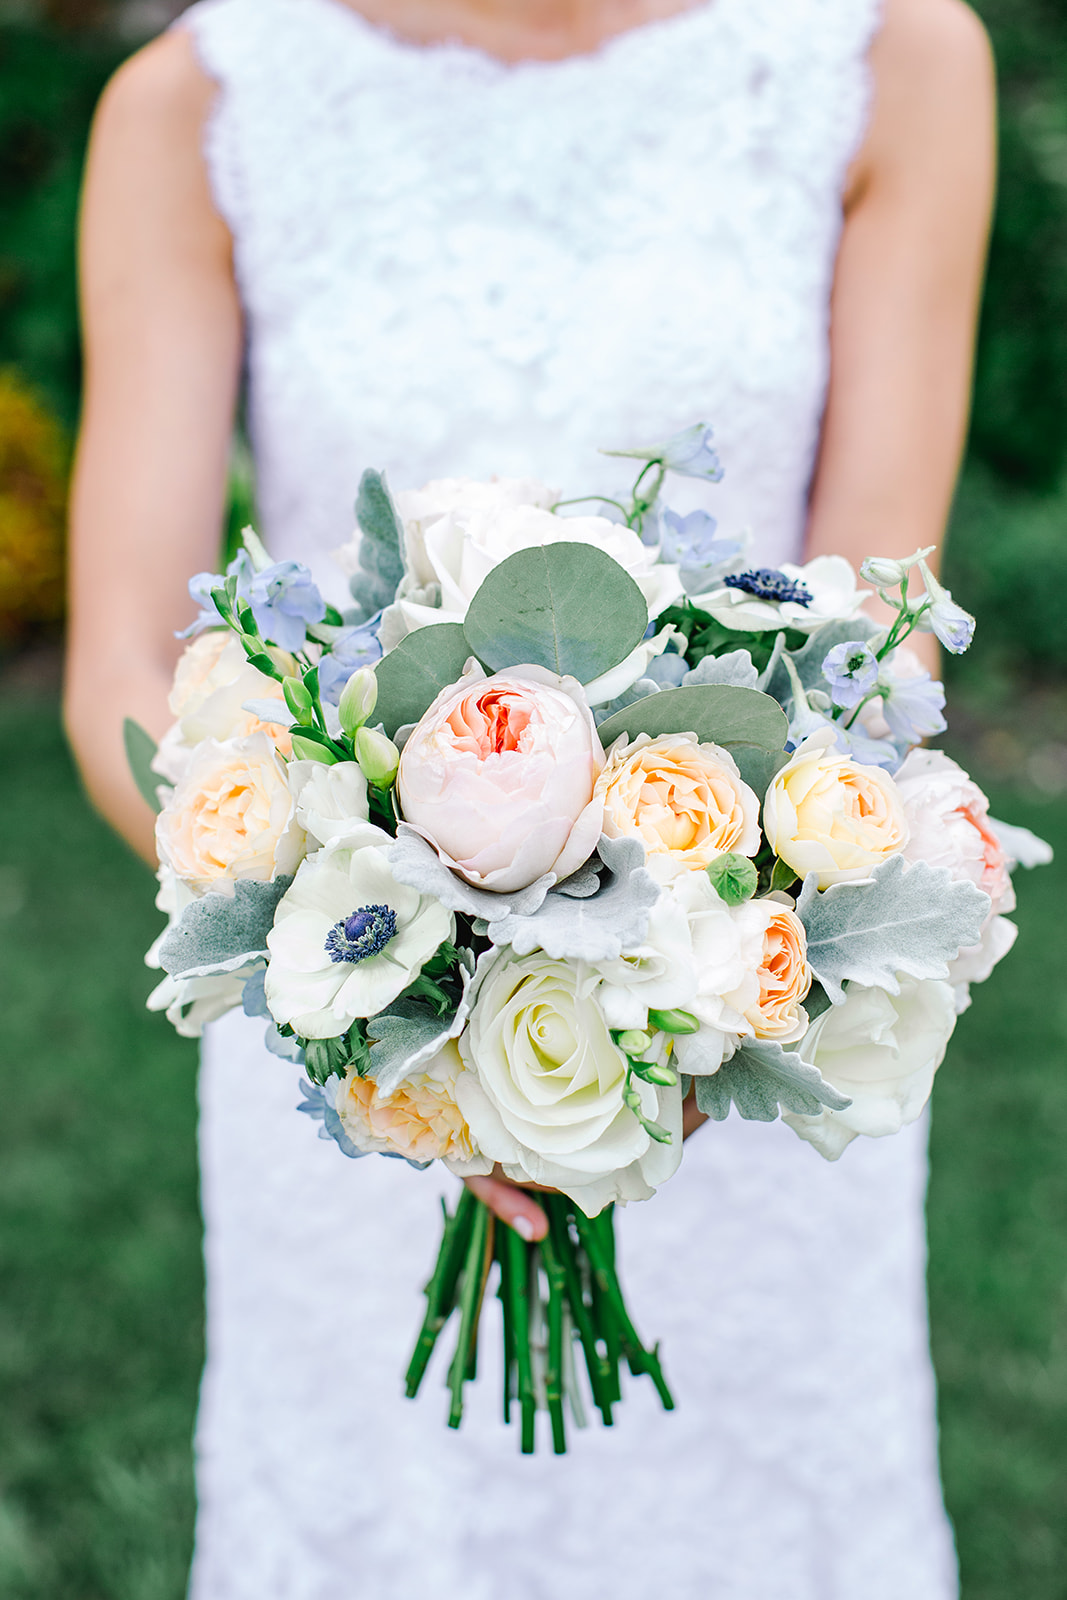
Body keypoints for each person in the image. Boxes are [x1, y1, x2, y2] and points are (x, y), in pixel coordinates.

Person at [65, 0, 995, 1595]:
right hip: (358, 1037)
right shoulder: (198, 103)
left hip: (732, 1013)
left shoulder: (889, 58)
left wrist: (666, 996)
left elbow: (872, 631)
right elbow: (121, 675)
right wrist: (416, 996)